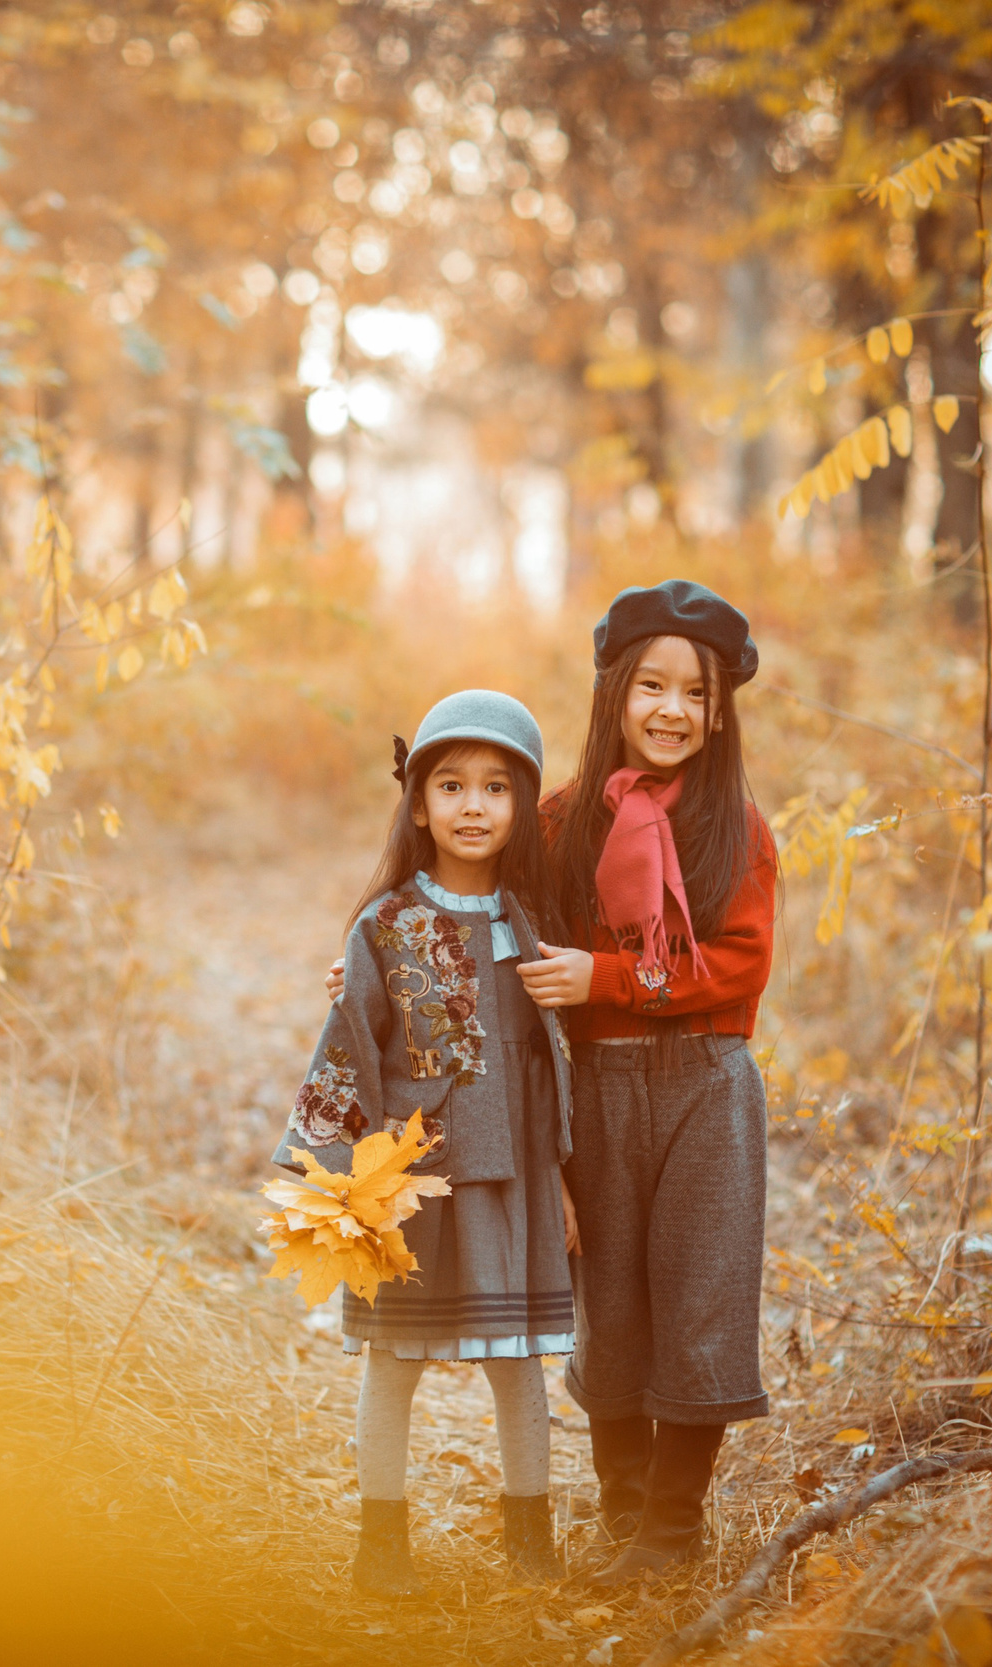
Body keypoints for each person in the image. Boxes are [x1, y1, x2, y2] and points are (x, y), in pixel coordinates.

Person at [324, 581, 777, 1588]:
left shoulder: (734, 828)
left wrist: (609, 977)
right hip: (594, 1090)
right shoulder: (563, 818)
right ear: (613, 695)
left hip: (707, 1083)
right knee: (607, 1297)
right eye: (648, 686)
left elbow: (742, 964)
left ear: (717, 710)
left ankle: (672, 1525)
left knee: (700, 1292)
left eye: (692, 694)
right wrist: (385, 973)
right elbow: (478, 918)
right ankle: (619, 1508)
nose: (668, 710)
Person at [273, 690, 581, 1597]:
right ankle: (382, 1546)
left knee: (519, 1357)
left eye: (495, 787)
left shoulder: (536, 925)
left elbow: (558, 1062)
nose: (473, 805)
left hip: (515, 1178)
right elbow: (348, 1048)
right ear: (418, 802)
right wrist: (336, 1182)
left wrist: (566, 1178)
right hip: (414, 1181)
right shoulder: (387, 926)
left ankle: (531, 1539)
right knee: (395, 1356)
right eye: (451, 785)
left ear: (523, 805)